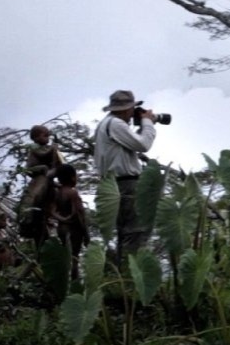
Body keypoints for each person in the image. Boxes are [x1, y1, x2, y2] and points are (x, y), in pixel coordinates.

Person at [93, 90, 160, 261]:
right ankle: (132, 276)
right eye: (133, 109)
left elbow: (130, 144)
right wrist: (148, 122)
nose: (133, 113)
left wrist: (142, 126)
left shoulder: (105, 123)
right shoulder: (116, 124)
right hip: (127, 183)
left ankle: (123, 274)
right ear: (126, 109)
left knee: (126, 232)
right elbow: (143, 145)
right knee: (136, 231)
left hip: (115, 183)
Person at [17, 124, 64, 245]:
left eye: (48, 134)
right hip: (39, 176)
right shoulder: (35, 148)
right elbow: (41, 157)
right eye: (45, 135)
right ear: (36, 137)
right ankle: (27, 218)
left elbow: (58, 163)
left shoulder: (49, 148)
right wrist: (53, 150)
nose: (48, 137)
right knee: (35, 195)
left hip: (49, 178)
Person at [49, 163, 88, 280]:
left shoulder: (57, 192)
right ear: (72, 177)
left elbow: (52, 211)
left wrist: (62, 219)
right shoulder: (72, 192)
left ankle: (64, 282)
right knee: (74, 258)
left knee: (65, 257)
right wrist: (86, 233)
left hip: (61, 228)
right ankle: (74, 283)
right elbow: (78, 214)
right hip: (74, 229)